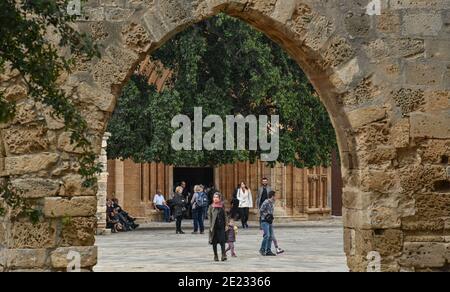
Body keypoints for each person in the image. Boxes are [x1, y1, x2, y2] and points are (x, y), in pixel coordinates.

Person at [208, 192, 228, 262]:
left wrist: (226, 225)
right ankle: (215, 255)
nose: (215, 198)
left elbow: (225, 216)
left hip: (221, 226)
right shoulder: (211, 206)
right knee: (214, 242)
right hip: (214, 227)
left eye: (217, 197)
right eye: (214, 197)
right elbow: (210, 217)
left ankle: (223, 255)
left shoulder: (222, 206)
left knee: (222, 241)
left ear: (219, 198)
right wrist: (210, 226)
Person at [259, 191, 277, 256]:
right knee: (267, 235)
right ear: (272, 196)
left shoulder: (272, 203)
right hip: (265, 221)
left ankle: (268, 250)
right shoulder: (266, 202)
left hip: (270, 221)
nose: (275, 197)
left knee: (271, 236)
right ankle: (262, 249)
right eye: (275, 196)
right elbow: (261, 210)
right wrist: (267, 216)